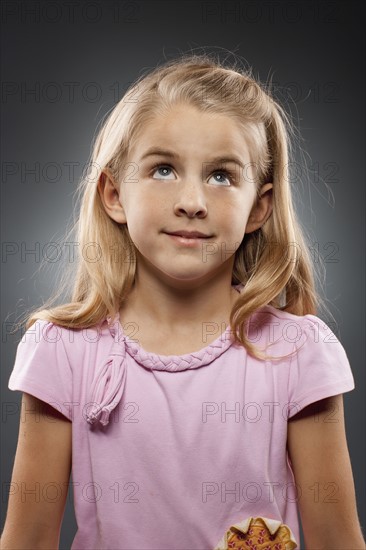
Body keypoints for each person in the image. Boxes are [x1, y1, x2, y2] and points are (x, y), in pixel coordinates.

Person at [1, 52, 365, 550]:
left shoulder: (298, 354)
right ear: (113, 194)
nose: (191, 201)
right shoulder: (62, 352)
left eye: (221, 176)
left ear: (258, 207)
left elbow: (337, 541)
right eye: (164, 169)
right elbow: (27, 542)